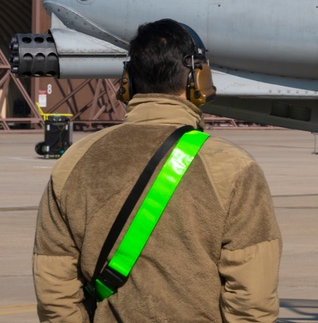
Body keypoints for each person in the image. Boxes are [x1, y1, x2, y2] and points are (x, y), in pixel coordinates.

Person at [33, 19, 282, 323]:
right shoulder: (233, 168)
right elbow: (252, 302)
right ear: (199, 79)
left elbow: (55, 290)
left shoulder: (74, 162)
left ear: (128, 81)